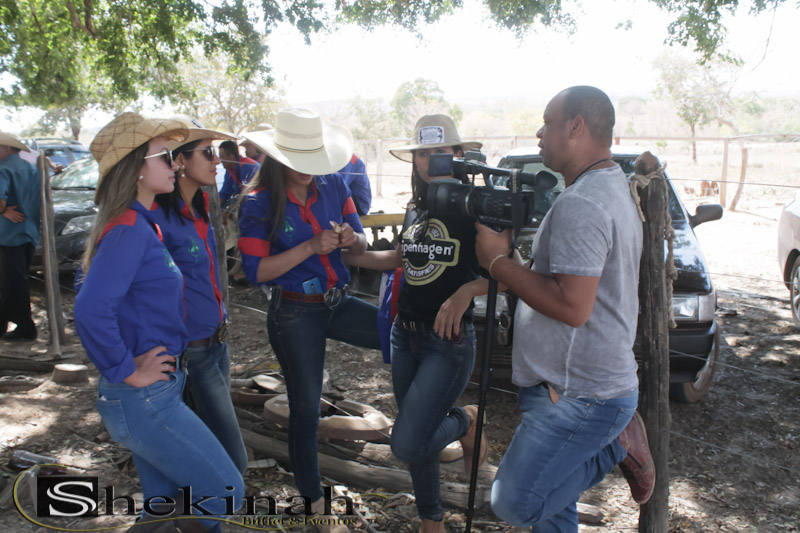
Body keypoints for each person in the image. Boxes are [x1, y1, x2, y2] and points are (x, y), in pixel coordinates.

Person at [474, 86, 655, 532]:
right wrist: (513, 260)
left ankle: (617, 446)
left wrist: (496, 264)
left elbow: (572, 306)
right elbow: (565, 284)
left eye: (547, 122)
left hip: (579, 396)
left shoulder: (583, 202)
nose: (540, 133)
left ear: (575, 127)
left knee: (516, 502)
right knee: (553, 511)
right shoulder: (606, 186)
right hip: (575, 385)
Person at [73, 112, 244, 533]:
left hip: (155, 391)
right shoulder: (129, 229)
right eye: (165, 157)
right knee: (225, 491)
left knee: (165, 507)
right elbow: (91, 308)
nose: (174, 163)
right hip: (144, 397)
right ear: (136, 168)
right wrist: (126, 369)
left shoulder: (141, 224)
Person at [343, 115, 489, 533]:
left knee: (407, 442)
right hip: (404, 335)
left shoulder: (475, 206)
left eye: (440, 152)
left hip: (447, 341)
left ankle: (467, 420)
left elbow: (508, 271)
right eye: (423, 154)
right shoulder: (416, 207)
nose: (430, 161)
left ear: (458, 155)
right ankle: (432, 521)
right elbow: (400, 259)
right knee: (420, 432)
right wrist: (348, 254)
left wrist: (465, 293)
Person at [237, 108, 380, 532]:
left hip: (337, 301)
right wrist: (310, 247)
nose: (307, 168)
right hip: (295, 311)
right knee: (305, 408)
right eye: (297, 159)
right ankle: (314, 501)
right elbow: (256, 272)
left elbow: (361, 243)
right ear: (278, 158)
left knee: (398, 336)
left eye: (313, 158)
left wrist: (353, 238)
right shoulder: (258, 202)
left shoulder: (334, 183)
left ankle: (423, 434)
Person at [147, 120, 249, 476]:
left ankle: (201, 505)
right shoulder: (155, 217)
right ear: (179, 161)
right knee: (233, 459)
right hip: (192, 350)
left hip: (217, 341)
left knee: (212, 447)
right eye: (207, 153)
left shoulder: (202, 204)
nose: (217, 160)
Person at [0, 132, 41, 341]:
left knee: (11, 284)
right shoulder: (31, 168)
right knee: (15, 281)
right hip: (29, 232)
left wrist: (4, 211)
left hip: (8, 234)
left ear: (7, 148)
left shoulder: (3, 169)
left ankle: (25, 328)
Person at [218, 140, 259, 206]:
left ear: (231, 157)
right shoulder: (230, 169)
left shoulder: (248, 167)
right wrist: (216, 207)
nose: (220, 161)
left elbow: (250, 195)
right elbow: (225, 192)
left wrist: (234, 207)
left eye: (222, 157)